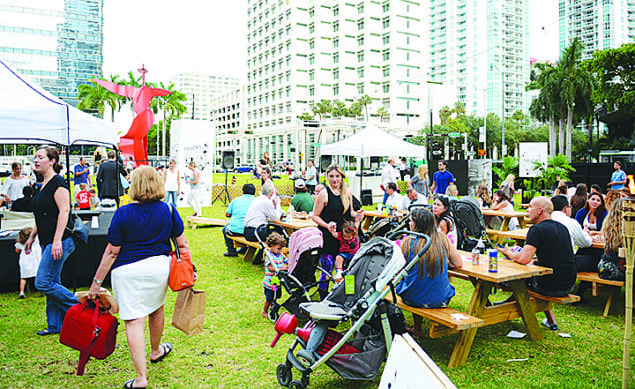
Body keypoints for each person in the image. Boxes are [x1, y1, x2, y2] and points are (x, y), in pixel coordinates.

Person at [88, 166, 189, 389]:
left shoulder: (122, 212)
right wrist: (191, 270)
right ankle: (155, 350)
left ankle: (141, 378)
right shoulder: (169, 209)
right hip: (159, 268)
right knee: (157, 308)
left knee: (134, 321)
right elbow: (182, 244)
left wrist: (96, 283)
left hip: (127, 272)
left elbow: (112, 252)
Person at [499, 196, 577, 331]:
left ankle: (502, 308)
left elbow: (524, 258)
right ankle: (550, 319)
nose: (527, 210)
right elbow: (555, 256)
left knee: (516, 271)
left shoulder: (536, 229)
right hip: (569, 283)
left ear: (540, 210)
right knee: (529, 269)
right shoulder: (562, 228)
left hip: (549, 285)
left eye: (530, 207)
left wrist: (508, 252)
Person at [24, 147, 77, 336]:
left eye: (41, 157)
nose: (36, 160)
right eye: (35, 157)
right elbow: (43, 215)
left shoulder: (58, 183)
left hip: (60, 241)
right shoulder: (42, 184)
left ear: (52, 161)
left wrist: (57, 241)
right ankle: (55, 325)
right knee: (52, 281)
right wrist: (32, 237)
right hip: (47, 241)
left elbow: (64, 211)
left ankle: (81, 308)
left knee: (44, 282)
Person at [396, 208, 463, 338]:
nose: (409, 224)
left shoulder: (407, 242)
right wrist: (440, 260)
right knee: (423, 283)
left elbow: (399, 270)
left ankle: (417, 328)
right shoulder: (442, 239)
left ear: (416, 224)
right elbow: (458, 263)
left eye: (410, 221)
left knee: (414, 283)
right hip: (441, 298)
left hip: (413, 299)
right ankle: (418, 328)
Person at [312, 165, 364, 298]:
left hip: (346, 239)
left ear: (342, 177)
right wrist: (327, 225)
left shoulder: (348, 193)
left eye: (337, 176)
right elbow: (315, 216)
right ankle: (323, 297)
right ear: (327, 177)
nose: (334, 179)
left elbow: (349, 212)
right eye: (331, 176)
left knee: (349, 270)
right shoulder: (324, 194)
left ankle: (349, 296)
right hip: (329, 238)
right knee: (327, 268)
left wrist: (357, 215)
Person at [244, 182, 283, 265]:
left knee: (273, 233)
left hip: (248, 231)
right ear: (272, 193)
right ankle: (274, 257)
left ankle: (259, 258)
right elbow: (276, 217)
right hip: (255, 232)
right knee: (278, 232)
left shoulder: (258, 199)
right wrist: (278, 204)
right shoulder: (266, 201)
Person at [222, 184, 256, 257]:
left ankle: (231, 251)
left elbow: (227, 214)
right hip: (251, 231)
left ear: (243, 192)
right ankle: (244, 249)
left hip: (235, 230)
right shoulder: (257, 201)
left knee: (225, 229)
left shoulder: (236, 200)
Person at [261, 232, 288, 318]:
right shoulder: (269, 256)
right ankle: (264, 311)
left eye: (281, 249)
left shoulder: (280, 255)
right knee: (269, 298)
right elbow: (270, 268)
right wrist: (281, 268)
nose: (280, 251)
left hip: (277, 282)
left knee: (276, 297)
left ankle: (272, 309)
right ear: (271, 246)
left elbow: (287, 261)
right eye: (278, 248)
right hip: (269, 283)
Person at [15, 227, 41, 299]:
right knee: (38, 276)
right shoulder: (36, 240)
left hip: (25, 261)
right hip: (36, 260)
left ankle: (22, 292)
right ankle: (41, 291)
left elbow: (17, 250)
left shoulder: (19, 243)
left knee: (23, 278)